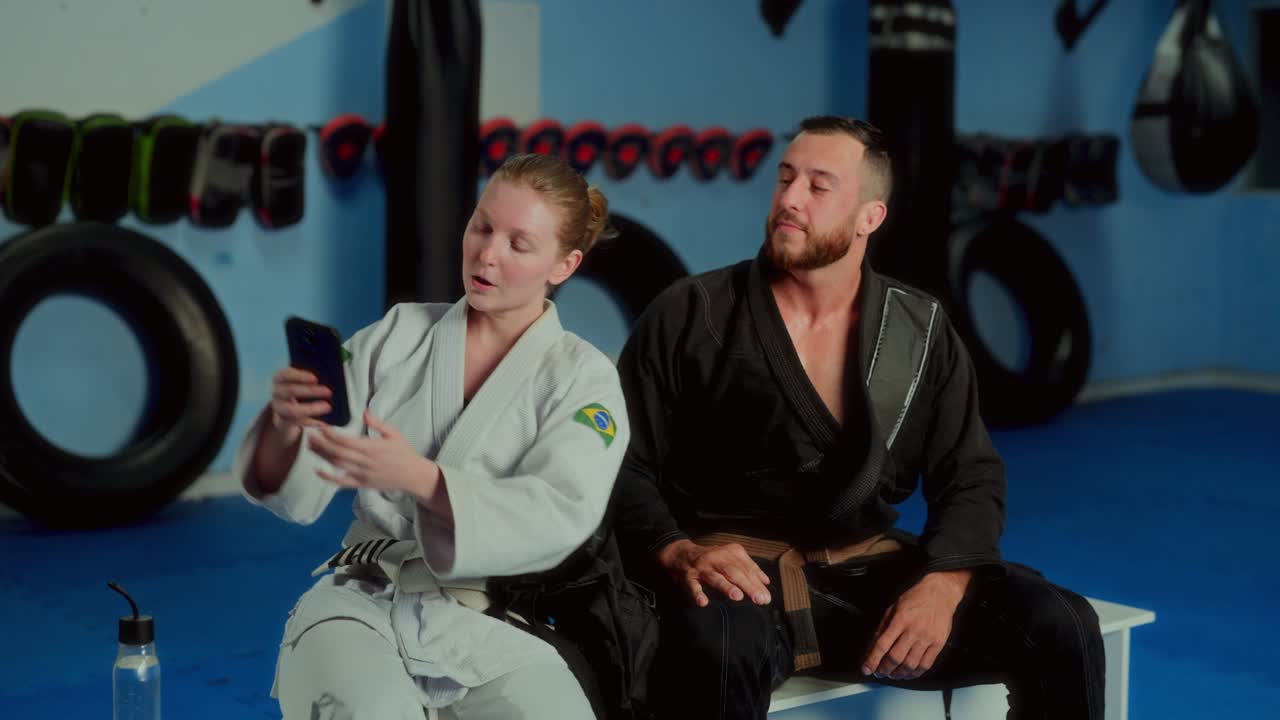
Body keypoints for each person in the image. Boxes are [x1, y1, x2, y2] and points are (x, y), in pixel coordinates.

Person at [612, 116, 1105, 719]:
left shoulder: (917, 329)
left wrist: (942, 582)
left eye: (819, 186)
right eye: (785, 178)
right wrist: (676, 550)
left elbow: (970, 474)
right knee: (719, 654)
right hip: (733, 578)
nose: (789, 199)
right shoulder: (692, 314)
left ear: (870, 216)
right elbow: (621, 462)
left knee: (1066, 627)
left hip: (865, 576)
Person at [233, 153, 629, 720]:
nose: (487, 254)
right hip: (359, 599)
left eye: (519, 244)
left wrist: (420, 478)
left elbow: (559, 513)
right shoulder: (397, 336)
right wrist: (283, 424)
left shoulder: (583, 379)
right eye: (482, 225)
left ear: (563, 265)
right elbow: (295, 488)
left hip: (487, 619)